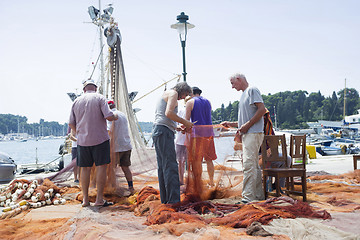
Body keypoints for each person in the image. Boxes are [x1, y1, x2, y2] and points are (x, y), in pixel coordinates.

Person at [69, 79, 118, 207]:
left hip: (83, 141)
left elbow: (71, 123)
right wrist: (115, 116)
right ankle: (99, 199)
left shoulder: (76, 101)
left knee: (85, 169)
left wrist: (79, 133)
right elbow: (108, 116)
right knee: (101, 167)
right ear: (95, 88)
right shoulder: (100, 98)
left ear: (84, 89)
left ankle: (85, 200)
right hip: (100, 139)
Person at [221, 73, 266, 203]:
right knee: (254, 166)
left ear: (239, 80)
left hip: (253, 133)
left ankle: (247, 197)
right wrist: (231, 124)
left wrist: (247, 125)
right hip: (249, 133)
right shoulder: (244, 94)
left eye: (232, 83)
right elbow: (244, 122)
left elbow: (262, 110)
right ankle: (257, 196)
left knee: (248, 165)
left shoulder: (252, 90)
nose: (232, 87)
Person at [152, 82, 194, 204]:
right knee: (170, 165)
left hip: (160, 131)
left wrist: (176, 127)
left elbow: (164, 117)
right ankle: (174, 201)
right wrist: (186, 123)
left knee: (163, 166)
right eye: (185, 94)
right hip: (163, 132)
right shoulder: (173, 93)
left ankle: (166, 200)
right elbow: (169, 113)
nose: (183, 98)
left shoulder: (167, 93)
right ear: (182, 90)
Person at [185, 87, 217, 187]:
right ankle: (211, 182)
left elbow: (186, 120)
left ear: (191, 93)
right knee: (209, 159)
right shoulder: (208, 102)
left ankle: (198, 183)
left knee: (197, 160)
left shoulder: (190, 102)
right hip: (209, 134)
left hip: (197, 135)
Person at [107, 100, 135, 194]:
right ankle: (131, 187)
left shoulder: (110, 116)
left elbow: (109, 131)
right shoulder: (122, 114)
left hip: (116, 147)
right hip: (126, 145)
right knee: (125, 167)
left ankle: (112, 187)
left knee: (111, 168)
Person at [175, 96, 192, 186]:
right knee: (186, 161)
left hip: (181, 140)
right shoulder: (185, 111)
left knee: (181, 162)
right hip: (184, 140)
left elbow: (177, 125)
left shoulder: (181, 111)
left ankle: (182, 180)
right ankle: (184, 180)